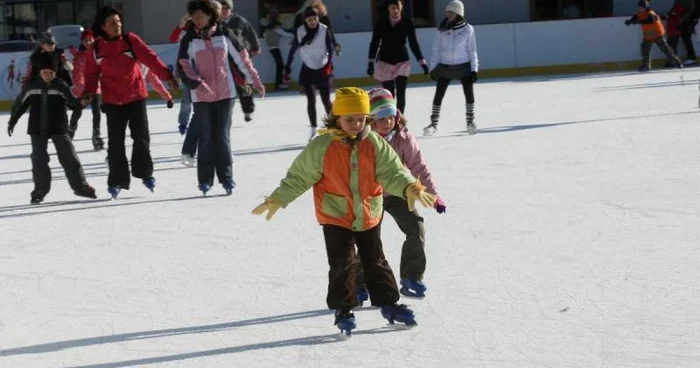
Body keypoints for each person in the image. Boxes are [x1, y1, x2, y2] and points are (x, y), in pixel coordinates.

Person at [252, 87, 437, 335]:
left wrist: (409, 188)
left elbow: (392, 172)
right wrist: (278, 199)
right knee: (342, 263)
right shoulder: (322, 146)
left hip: (368, 213)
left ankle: (389, 304)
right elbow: (299, 177)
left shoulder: (374, 143)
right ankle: (344, 308)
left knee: (375, 260)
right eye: (349, 119)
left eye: (361, 119)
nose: (356, 124)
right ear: (336, 117)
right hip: (335, 215)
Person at [354, 88, 445, 302]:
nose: (388, 122)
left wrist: (433, 195)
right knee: (368, 240)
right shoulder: (362, 140)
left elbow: (419, 167)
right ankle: (358, 283)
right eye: (381, 118)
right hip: (369, 195)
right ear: (371, 120)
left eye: (391, 117)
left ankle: (411, 277)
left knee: (416, 227)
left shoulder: (404, 137)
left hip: (397, 191)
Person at [83, 6, 178, 199]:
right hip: (111, 100)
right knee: (115, 144)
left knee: (141, 138)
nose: (117, 26)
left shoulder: (130, 40)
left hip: (135, 97)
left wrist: (167, 74)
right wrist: (88, 93)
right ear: (103, 27)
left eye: (118, 22)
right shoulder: (96, 49)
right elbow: (91, 75)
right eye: (112, 23)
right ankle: (117, 180)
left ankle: (144, 173)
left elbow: (151, 58)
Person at [179, 0, 264, 195]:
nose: (197, 19)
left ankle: (227, 178)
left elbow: (243, 60)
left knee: (222, 138)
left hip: (226, 94)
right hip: (201, 96)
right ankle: (205, 180)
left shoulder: (225, 34)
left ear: (211, 15)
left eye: (200, 15)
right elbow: (184, 66)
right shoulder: (189, 38)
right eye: (194, 16)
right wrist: (198, 84)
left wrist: (255, 81)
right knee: (206, 137)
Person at [7, 52, 97, 204]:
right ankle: (40, 191)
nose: (47, 75)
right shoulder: (32, 86)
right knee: (39, 161)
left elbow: (72, 103)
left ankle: (80, 187)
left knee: (69, 157)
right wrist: (12, 121)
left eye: (51, 73)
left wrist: (81, 103)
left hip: (58, 127)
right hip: (37, 128)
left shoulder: (61, 86)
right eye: (44, 72)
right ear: (39, 72)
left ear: (55, 72)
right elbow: (20, 105)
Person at [424, 0, 479, 136]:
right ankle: (433, 123)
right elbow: (436, 49)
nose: (448, 14)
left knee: (469, 94)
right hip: (445, 66)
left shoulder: (468, 29)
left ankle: (470, 122)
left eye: (451, 12)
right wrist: (433, 68)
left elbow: (472, 50)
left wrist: (474, 69)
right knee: (438, 95)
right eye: (447, 11)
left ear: (458, 13)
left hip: (464, 65)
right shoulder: (441, 29)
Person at [368, 0, 428, 114]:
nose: (395, 10)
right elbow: (374, 43)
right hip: (385, 61)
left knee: (401, 93)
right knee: (389, 95)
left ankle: (399, 120)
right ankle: (390, 119)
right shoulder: (381, 23)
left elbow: (413, 43)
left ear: (401, 7)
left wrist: (422, 62)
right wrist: (370, 62)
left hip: (402, 61)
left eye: (397, 7)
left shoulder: (407, 23)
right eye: (392, 8)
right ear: (388, 9)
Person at [284, 7, 334, 141]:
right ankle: (313, 129)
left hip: (323, 69)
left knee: (326, 100)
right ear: (305, 20)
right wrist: (287, 66)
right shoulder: (300, 31)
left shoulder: (324, 29)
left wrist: (329, 65)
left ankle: (334, 126)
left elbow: (330, 48)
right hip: (308, 70)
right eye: (309, 19)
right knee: (311, 99)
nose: (312, 21)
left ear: (318, 18)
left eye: (314, 18)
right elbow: (293, 49)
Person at [218, 0, 260, 122]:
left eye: (227, 8)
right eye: (222, 8)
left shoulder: (240, 21)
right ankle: (223, 113)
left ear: (231, 10)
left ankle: (248, 109)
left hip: (240, 58)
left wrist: (255, 47)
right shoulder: (215, 23)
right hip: (223, 60)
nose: (224, 10)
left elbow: (251, 33)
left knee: (245, 85)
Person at [69, 29, 105, 150]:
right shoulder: (80, 56)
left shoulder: (99, 53)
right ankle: (70, 131)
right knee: (77, 111)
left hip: (97, 88)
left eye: (90, 40)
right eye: (85, 40)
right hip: (84, 89)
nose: (88, 42)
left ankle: (96, 136)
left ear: (94, 39)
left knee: (96, 113)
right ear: (82, 42)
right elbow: (77, 74)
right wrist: (83, 89)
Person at [625, 0, 682, 72]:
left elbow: (651, 20)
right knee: (645, 50)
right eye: (639, 7)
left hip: (656, 34)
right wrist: (630, 21)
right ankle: (646, 65)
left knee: (665, 49)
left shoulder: (651, 13)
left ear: (646, 7)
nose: (640, 9)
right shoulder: (641, 13)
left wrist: (639, 21)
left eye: (642, 7)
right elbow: (635, 16)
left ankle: (677, 62)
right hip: (648, 35)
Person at [261, 7, 295, 91]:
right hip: (273, 46)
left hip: (273, 46)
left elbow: (267, 34)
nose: (277, 18)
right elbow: (283, 33)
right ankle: (278, 84)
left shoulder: (271, 25)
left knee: (279, 64)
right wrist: (294, 35)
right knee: (280, 64)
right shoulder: (270, 24)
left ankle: (279, 84)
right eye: (276, 17)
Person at [665, 0, 697, 66]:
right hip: (682, 23)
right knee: (676, 42)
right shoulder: (679, 2)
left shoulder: (687, 2)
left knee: (685, 40)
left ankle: (691, 58)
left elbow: (689, 12)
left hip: (685, 24)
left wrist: (679, 17)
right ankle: (675, 60)